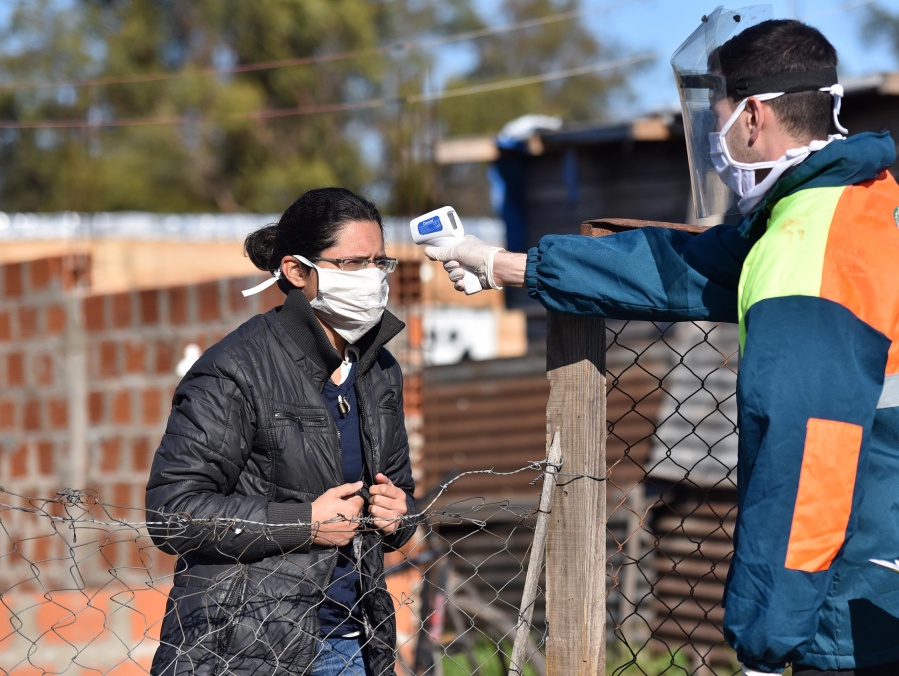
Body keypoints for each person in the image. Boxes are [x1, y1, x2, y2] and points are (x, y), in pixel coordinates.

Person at [424, 8, 899, 676]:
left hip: (857, 600)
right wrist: (507, 265)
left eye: (720, 116)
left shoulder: (803, 254)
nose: (714, 140)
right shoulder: (856, 203)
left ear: (753, 116)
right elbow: (682, 267)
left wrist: (765, 637)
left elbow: (807, 457)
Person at [145, 187, 417, 675]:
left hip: (354, 641)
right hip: (245, 646)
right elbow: (172, 513)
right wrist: (304, 523)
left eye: (380, 262)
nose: (373, 279)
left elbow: (400, 499)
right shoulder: (234, 370)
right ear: (296, 271)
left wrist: (401, 516)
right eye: (353, 264)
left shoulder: (378, 370)